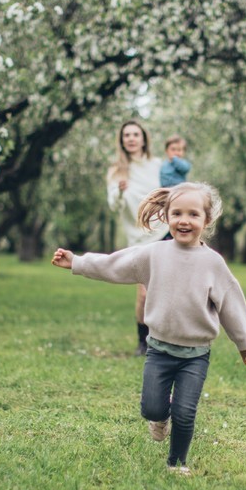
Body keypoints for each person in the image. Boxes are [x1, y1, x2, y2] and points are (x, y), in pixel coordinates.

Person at [52, 182, 246, 475]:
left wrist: (244, 341)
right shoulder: (154, 254)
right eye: (177, 213)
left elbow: (231, 304)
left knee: (185, 413)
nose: (184, 220)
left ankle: (177, 463)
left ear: (206, 220)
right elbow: (114, 264)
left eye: (193, 214)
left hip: (195, 355)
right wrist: (77, 262)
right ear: (166, 217)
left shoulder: (213, 263)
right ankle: (159, 417)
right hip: (159, 351)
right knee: (152, 408)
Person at [106, 120, 167, 355]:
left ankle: (164, 340)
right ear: (122, 140)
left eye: (135, 134)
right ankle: (143, 342)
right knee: (144, 292)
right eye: (127, 135)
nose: (131, 138)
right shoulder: (116, 171)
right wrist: (120, 191)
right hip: (139, 237)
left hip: (164, 232)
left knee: (165, 290)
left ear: (143, 139)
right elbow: (113, 204)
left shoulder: (157, 165)